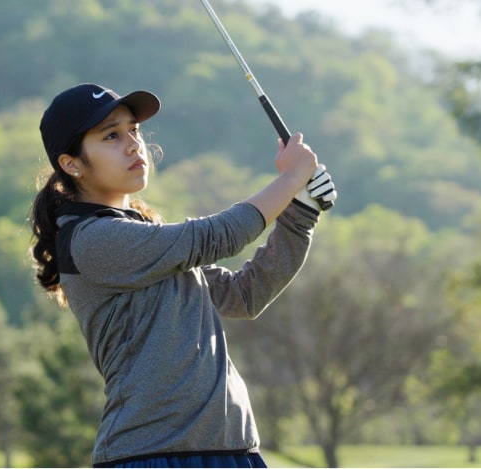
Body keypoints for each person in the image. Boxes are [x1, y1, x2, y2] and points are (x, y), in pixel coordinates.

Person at [30, 83, 337, 468]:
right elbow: (217, 236)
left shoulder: (147, 235)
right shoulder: (92, 240)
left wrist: (300, 212)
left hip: (231, 450)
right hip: (154, 456)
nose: (132, 144)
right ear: (72, 164)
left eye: (134, 131)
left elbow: (245, 296)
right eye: (111, 135)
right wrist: (290, 181)